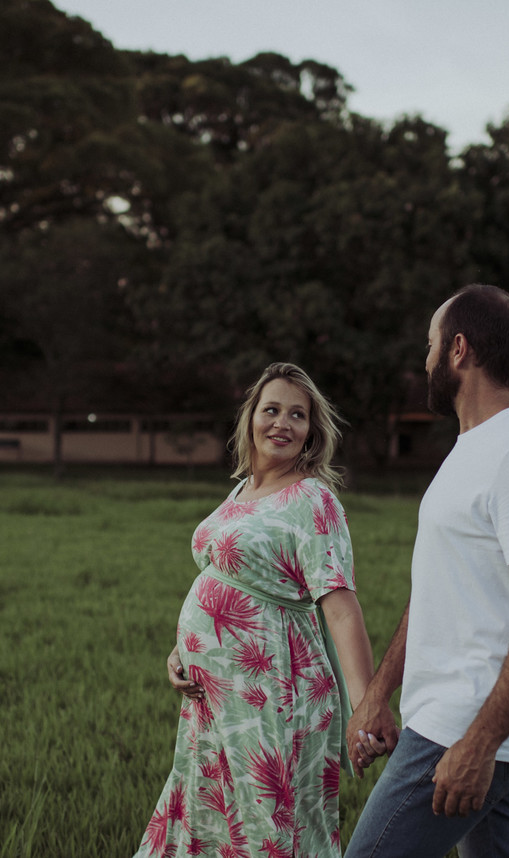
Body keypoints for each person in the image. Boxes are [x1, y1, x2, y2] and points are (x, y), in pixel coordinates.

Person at [344, 284, 509, 858]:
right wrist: (378, 692)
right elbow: (436, 590)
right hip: (471, 718)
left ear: (458, 350)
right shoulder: (472, 447)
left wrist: (480, 744)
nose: (423, 360)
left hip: (469, 725)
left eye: (429, 345)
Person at [132, 362, 380, 858]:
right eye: (272, 410)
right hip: (213, 699)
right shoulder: (242, 489)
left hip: (274, 695)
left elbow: (341, 607)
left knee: (270, 829)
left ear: (311, 431)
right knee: (211, 819)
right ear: (251, 419)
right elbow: (228, 582)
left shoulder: (313, 499)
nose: (282, 424)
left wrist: (366, 707)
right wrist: (182, 650)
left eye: (297, 415)